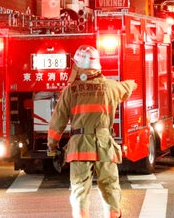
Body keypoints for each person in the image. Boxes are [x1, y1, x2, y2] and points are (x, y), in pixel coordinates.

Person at [47, 45, 137, 218]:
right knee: (110, 187)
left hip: (80, 146)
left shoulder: (70, 91)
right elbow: (126, 88)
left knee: (80, 190)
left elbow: (57, 121)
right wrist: (131, 84)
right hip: (104, 144)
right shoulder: (111, 87)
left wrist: (53, 147)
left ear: (79, 65)